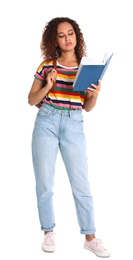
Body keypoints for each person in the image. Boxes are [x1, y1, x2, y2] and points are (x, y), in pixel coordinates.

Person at [28, 17, 111, 258]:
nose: (67, 38)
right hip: (47, 122)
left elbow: (87, 107)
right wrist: (48, 85)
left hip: (74, 124)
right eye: (62, 35)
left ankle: (90, 237)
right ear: (54, 39)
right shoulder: (46, 65)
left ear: (77, 36)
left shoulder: (87, 67)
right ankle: (48, 232)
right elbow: (31, 99)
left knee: (82, 184)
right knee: (44, 183)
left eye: (71, 33)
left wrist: (95, 94)